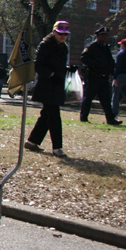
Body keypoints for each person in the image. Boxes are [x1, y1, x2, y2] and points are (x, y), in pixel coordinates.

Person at [25, 21, 74, 157]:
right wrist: (51, 75)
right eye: (60, 34)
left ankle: (32, 141)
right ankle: (57, 147)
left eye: (65, 35)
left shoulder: (64, 47)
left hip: (57, 85)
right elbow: (38, 65)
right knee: (54, 117)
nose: (63, 37)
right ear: (54, 32)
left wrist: (67, 70)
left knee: (46, 115)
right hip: (46, 86)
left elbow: (59, 65)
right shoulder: (45, 45)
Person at [79, 26, 122, 125]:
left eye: (107, 35)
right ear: (98, 36)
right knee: (88, 98)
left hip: (104, 77)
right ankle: (84, 117)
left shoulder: (106, 47)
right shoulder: (92, 47)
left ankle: (110, 119)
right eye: (104, 36)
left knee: (106, 99)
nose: (106, 37)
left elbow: (110, 61)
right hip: (94, 76)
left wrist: (111, 68)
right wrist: (96, 64)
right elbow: (84, 58)